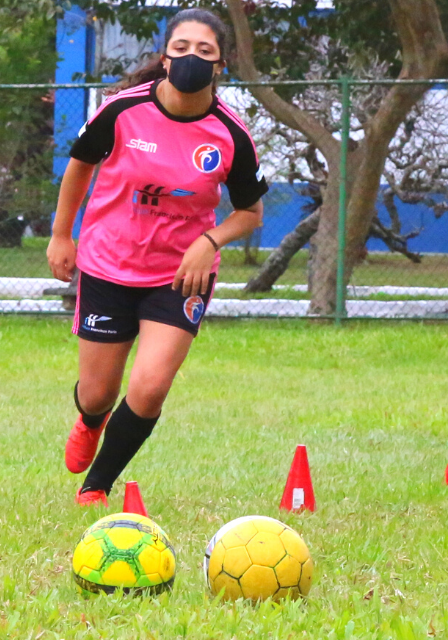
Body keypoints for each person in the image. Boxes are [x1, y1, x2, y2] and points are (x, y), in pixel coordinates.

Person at [46, 8, 268, 506]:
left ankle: (96, 488)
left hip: (178, 278)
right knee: (99, 392)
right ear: (164, 58)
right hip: (108, 265)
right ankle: (90, 419)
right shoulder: (122, 110)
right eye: (182, 48)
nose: (192, 58)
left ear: (221, 65)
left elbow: (251, 212)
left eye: (205, 51)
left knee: (148, 388)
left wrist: (208, 242)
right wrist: (63, 235)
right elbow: (79, 167)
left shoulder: (230, 135)